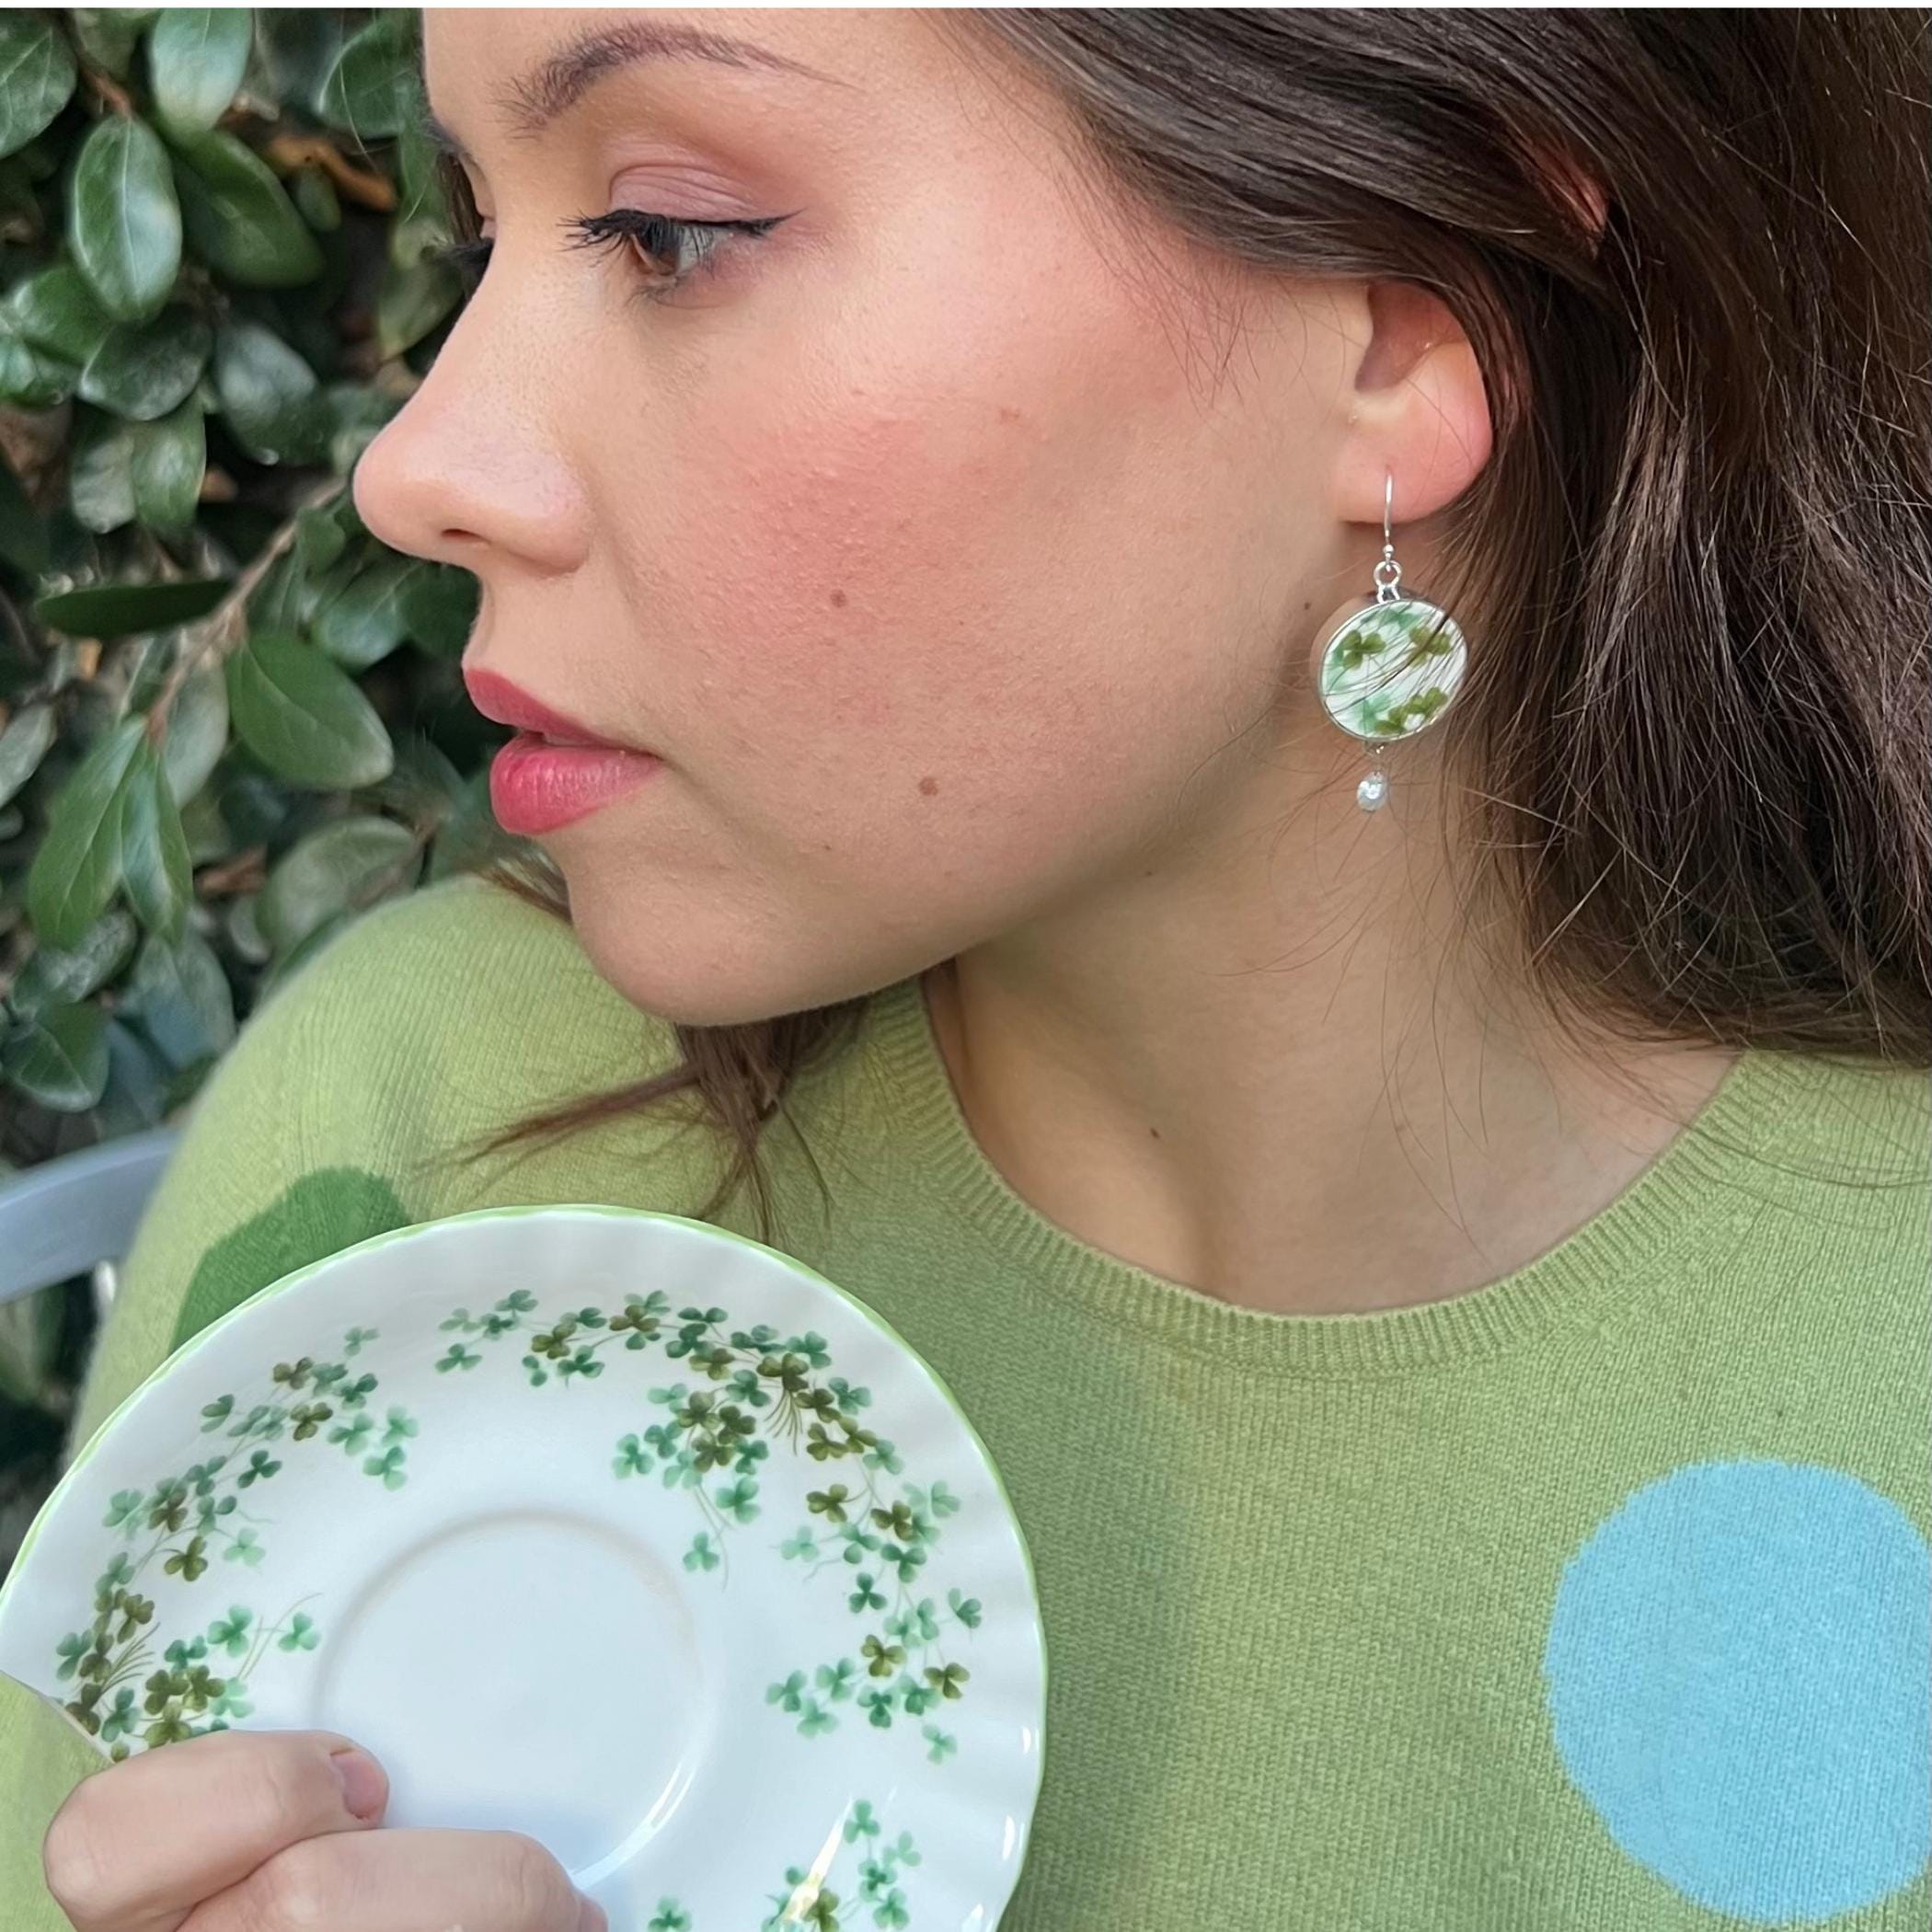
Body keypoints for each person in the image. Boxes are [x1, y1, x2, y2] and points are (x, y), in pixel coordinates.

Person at [6, 8, 1928, 1929]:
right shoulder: (417, 1175)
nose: (416, 467)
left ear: (1408, 326)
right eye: (477, 229)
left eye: (668, 229)